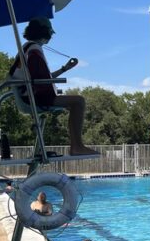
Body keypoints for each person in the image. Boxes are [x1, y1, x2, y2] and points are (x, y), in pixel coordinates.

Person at [9, 17, 99, 156]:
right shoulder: (34, 50)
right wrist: (55, 93)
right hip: (33, 98)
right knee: (78, 101)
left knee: (73, 103)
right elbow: (41, 81)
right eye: (50, 32)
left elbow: (41, 78)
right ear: (45, 32)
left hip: (28, 95)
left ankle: (76, 146)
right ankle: (77, 147)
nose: (51, 36)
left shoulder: (27, 48)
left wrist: (65, 68)